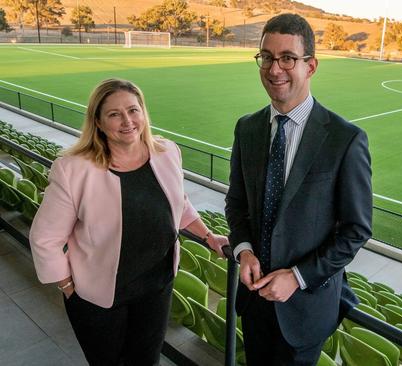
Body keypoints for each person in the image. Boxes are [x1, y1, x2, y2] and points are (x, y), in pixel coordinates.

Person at [29, 78, 228, 365]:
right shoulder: (73, 169)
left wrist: (209, 236)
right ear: (97, 122)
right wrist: (68, 286)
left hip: (156, 288)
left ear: (144, 112)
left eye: (133, 110)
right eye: (114, 114)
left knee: (146, 360)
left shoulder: (167, 152)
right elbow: (45, 238)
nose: (127, 121)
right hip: (97, 297)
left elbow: (178, 204)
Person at [223, 13, 372, 366]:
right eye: (267, 57)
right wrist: (243, 251)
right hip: (254, 301)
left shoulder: (345, 139)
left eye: (288, 58)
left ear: (311, 66)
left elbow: (356, 230)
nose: (275, 69)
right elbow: (236, 203)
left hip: (305, 310)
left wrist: (298, 277)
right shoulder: (247, 128)